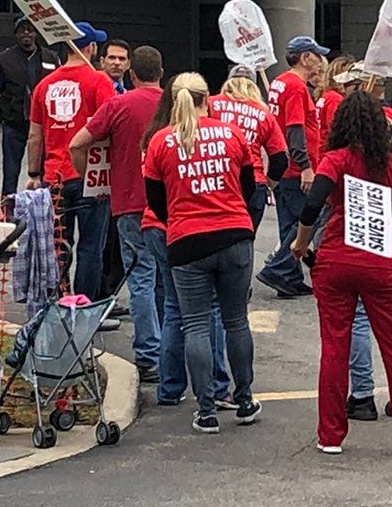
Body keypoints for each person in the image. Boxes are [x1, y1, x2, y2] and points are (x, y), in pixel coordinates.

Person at [289, 91, 392, 455]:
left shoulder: (334, 160)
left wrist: (301, 245)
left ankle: (331, 435)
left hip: (335, 259)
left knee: (334, 347)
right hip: (381, 263)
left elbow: (311, 206)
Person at [140, 72, 262, 435]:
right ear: (207, 98)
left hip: (187, 239)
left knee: (194, 324)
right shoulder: (232, 134)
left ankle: (206, 409)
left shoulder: (161, 142)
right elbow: (249, 186)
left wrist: (181, 218)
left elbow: (155, 200)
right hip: (234, 233)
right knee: (236, 320)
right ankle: (243, 398)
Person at [69, 45, 166, 382]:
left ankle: (149, 356)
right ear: (161, 73)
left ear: (132, 74)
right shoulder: (175, 105)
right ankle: (173, 351)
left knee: (141, 279)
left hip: (130, 203)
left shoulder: (118, 105)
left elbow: (77, 144)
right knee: (171, 281)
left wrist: (90, 179)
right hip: (175, 205)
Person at [26, 21, 114, 300]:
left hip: (55, 176)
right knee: (91, 246)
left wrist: (33, 172)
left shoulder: (44, 85)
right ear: (90, 47)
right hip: (90, 175)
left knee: (58, 245)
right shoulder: (99, 80)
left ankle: (57, 299)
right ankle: (85, 303)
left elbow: (34, 135)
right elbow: (111, 125)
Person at [256, 37, 329, 298]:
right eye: (316, 55)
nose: (320, 60)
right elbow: (295, 128)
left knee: (289, 223)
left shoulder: (279, 82)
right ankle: (279, 267)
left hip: (284, 164)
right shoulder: (296, 87)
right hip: (298, 167)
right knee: (309, 218)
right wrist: (306, 166)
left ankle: (290, 277)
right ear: (304, 58)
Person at [0, 18, 55, 217]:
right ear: (16, 34)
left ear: (36, 33)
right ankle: (8, 213)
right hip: (15, 124)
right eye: (22, 31)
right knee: (11, 170)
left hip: (43, 125)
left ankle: (43, 210)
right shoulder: (4, 58)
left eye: (30, 30)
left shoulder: (50, 57)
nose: (27, 34)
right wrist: (4, 116)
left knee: (43, 171)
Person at [209, 73, 286, 232]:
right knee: (246, 240)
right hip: (253, 181)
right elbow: (280, 158)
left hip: (218, 180)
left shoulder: (210, 105)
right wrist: (268, 184)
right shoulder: (263, 113)